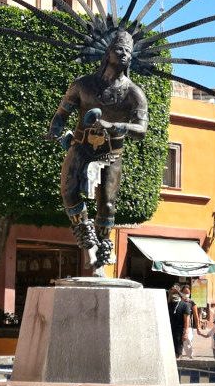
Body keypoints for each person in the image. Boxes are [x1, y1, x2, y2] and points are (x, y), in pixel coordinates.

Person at [47, 30, 149, 272]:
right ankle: (86, 235)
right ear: (108, 52)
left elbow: (141, 129)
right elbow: (62, 114)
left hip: (112, 152)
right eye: (119, 49)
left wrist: (113, 126)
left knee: (108, 205)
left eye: (128, 52)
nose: (124, 54)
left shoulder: (134, 93)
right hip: (81, 145)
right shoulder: (83, 84)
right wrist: (55, 129)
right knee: (68, 191)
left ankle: (101, 254)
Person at [167, 285, 192, 359]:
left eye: (175, 292)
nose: (173, 294)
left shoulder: (184, 305)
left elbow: (186, 320)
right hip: (170, 331)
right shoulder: (169, 304)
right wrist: (170, 294)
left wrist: (186, 332)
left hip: (179, 331)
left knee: (177, 351)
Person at [180, 285, 200, 358]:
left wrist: (198, 328)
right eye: (185, 292)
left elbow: (196, 316)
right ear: (181, 293)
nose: (186, 294)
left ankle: (190, 357)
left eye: (188, 292)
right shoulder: (179, 302)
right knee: (179, 343)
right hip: (179, 326)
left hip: (188, 327)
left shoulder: (192, 303)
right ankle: (179, 356)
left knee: (188, 342)